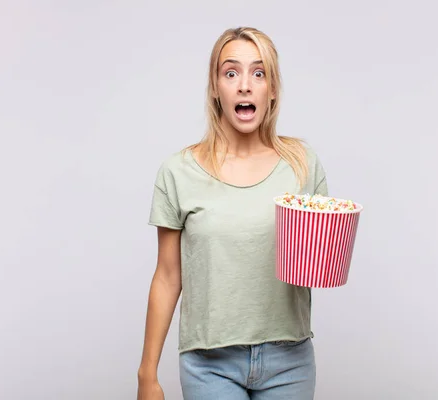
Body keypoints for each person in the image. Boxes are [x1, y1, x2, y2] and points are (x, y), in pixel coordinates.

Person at [137, 26, 328, 400]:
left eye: (259, 73)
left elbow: (317, 260)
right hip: (209, 365)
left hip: (289, 361)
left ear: (272, 89)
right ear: (215, 86)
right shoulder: (178, 171)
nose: (245, 85)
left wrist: (326, 247)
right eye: (231, 73)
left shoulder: (302, 165)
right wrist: (147, 374)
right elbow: (167, 274)